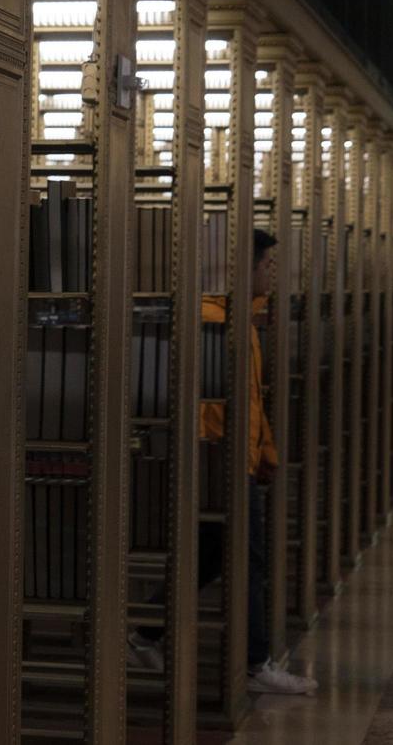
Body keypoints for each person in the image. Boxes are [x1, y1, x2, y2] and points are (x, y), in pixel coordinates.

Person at [128, 229, 318, 695]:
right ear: (240, 268)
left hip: (235, 462)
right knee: (247, 560)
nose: (272, 272)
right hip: (220, 465)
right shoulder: (211, 326)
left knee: (212, 555)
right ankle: (255, 663)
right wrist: (238, 461)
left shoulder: (238, 323)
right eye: (266, 264)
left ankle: (145, 630)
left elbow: (251, 400)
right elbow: (212, 409)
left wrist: (265, 451)